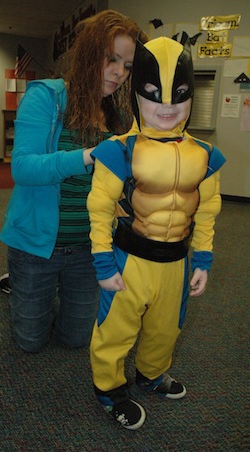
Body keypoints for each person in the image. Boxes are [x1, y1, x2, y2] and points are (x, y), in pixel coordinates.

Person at [87, 35, 226, 430]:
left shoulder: (205, 155)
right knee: (115, 331)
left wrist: (202, 259)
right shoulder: (120, 150)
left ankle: (150, 375)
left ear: (190, 96)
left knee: (166, 329)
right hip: (129, 261)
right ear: (136, 95)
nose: (167, 106)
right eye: (153, 94)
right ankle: (109, 390)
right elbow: (98, 209)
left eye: (179, 95)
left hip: (176, 263)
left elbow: (208, 210)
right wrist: (101, 262)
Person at [0, 10, 148, 353]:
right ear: (89, 53)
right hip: (36, 246)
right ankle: (18, 284)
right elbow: (22, 168)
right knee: (30, 342)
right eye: (111, 59)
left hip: (89, 246)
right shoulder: (47, 97)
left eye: (126, 65)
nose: (119, 73)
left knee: (76, 340)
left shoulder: (119, 116)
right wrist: (87, 156)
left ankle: (36, 291)